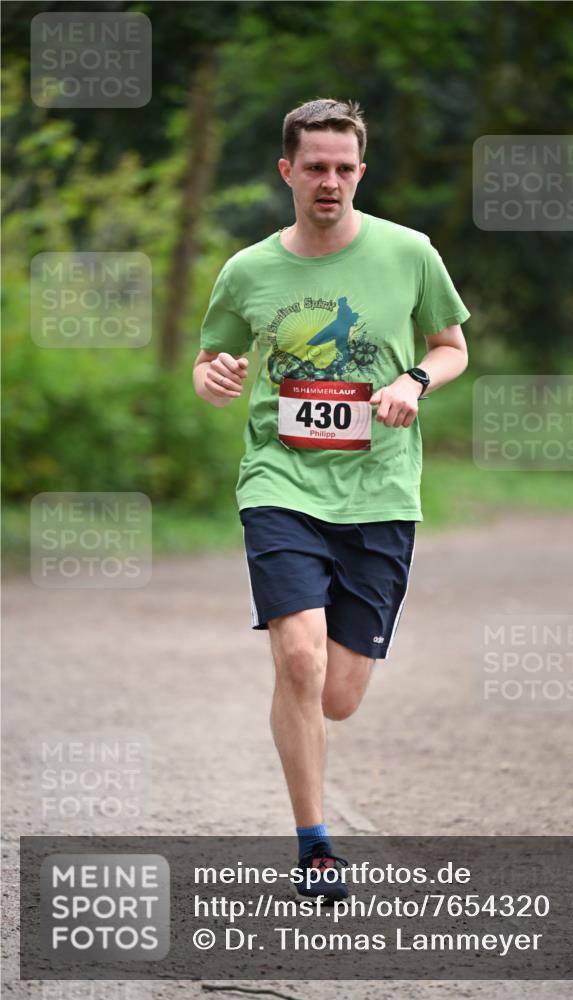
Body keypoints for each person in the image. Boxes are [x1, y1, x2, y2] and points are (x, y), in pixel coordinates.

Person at [193, 98, 470, 900]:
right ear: (287, 171)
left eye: (344, 168)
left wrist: (413, 382)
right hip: (279, 481)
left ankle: (307, 708)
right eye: (314, 166)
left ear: (360, 172)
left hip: (379, 491)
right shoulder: (247, 271)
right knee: (299, 657)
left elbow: (450, 347)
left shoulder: (409, 253)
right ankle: (314, 847)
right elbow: (210, 363)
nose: (330, 181)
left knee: (337, 696)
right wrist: (214, 377)